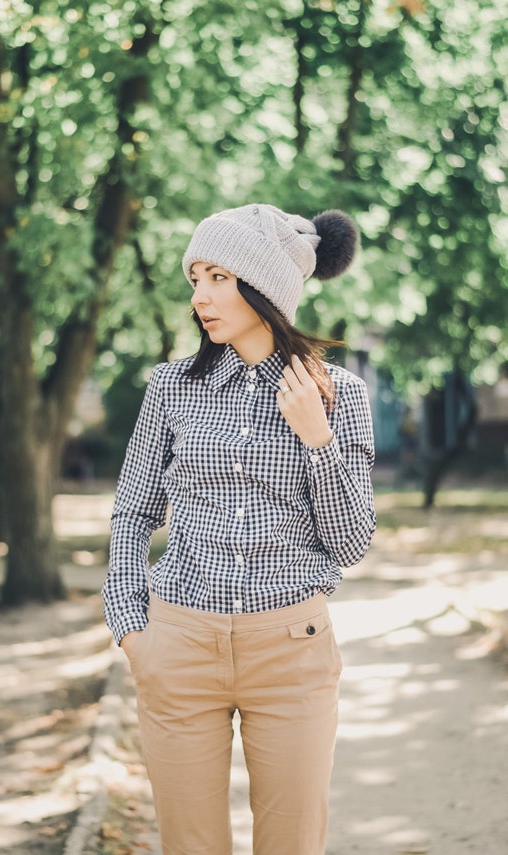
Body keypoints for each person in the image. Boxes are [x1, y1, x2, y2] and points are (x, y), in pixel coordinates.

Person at [102, 203, 376, 855]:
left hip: (291, 650)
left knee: (291, 843)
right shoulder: (171, 387)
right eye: (196, 277)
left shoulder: (342, 394)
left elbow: (351, 542)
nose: (200, 295)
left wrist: (318, 439)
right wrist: (130, 625)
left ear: (265, 286)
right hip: (178, 642)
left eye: (218, 276)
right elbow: (133, 510)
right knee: (190, 845)